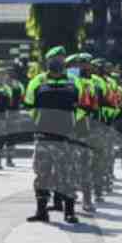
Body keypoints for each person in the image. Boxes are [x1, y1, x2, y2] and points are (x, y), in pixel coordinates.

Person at [25, 46, 83, 224]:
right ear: (47, 61)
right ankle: (41, 211)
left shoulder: (74, 81)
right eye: (53, 59)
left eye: (60, 58)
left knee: (68, 174)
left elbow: (82, 106)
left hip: (67, 136)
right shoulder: (37, 81)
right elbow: (29, 106)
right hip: (44, 135)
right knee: (42, 174)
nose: (57, 61)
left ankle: (69, 212)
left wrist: (71, 123)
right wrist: (41, 121)